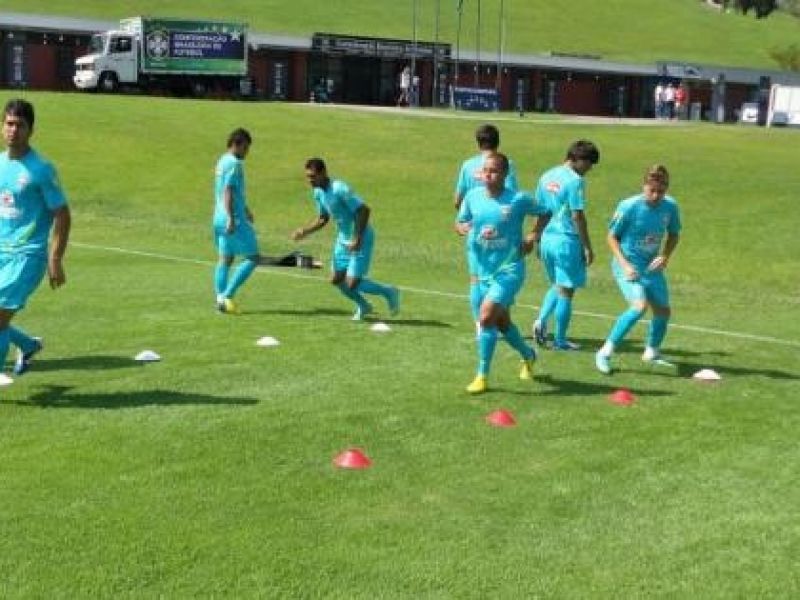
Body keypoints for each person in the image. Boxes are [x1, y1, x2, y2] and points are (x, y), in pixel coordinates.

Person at [456, 152, 545, 394]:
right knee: (502, 323)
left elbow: (545, 212)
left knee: (485, 318)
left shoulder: (518, 199)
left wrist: (532, 235)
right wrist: (462, 227)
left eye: (494, 171)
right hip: (481, 271)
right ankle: (528, 355)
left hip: (509, 270)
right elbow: (460, 222)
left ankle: (482, 376)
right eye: (485, 170)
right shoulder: (473, 197)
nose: (488, 175)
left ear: (505, 174)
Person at [0, 99, 71, 383]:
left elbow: (62, 214)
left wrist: (55, 259)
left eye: (20, 125)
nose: (13, 130)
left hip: (26, 256)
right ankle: (28, 346)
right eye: (9, 123)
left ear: (31, 130)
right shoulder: (0, 164)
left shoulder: (41, 170)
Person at [595, 165, 681, 375]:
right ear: (644, 186)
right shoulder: (629, 206)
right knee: (639, 306)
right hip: (627, 263)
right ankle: (604, 352)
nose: (656, 196)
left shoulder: (670, 207)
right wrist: (625, 265)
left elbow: (674, 234)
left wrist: (664, 256)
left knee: (663, 311)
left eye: (661, 191)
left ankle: (652, 352)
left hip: (651, 267)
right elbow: (611, 237)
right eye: (652, 190)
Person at [292, 158, 399, 320]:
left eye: (313, 176)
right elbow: (323, 218)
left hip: (361, 237)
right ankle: (364, 306)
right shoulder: (318, 193)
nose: (310, 180)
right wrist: (305, 231)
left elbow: (364, 211)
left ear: (323, 173)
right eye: (308, 176)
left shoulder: (339, 188)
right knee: (336, 279)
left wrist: (357, 238)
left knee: (352, 283)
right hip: (343, 239)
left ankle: (389, 292)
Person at [531, 140, 600, 351]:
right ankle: (560, 340)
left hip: (548, 240)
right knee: (566, 291)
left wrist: (537, 237)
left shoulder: (546, 176)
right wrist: (587, 247)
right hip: (566, 241)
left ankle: (541, 321)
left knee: (557, 285)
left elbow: (540, 211)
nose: (589, 169)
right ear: (578, 159)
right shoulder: (575, 181)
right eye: (589, 163)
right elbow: (577, 215)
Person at [454, 124, 519, 325]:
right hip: (501, 234)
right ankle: (501, 322)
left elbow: (457, 200)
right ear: (498, 142)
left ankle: (480, 325)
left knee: (476, 278)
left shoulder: (467, 165)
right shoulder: (505, 164)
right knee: (503, 278)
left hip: (475, 232)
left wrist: (468, 218)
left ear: (478, 142)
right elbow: (511, 198)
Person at [213, 128, 260, 314]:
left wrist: (246, 209)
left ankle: (220, 300)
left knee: (225, 259)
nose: (247, 152)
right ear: (236, 144)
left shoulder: (222, 160)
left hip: (218, 217)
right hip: (233, 218)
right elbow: (228, 191)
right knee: (253, 258)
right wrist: (232, 217)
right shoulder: (234, 164)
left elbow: (229, 190)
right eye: (245, 148)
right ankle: (227, 295)